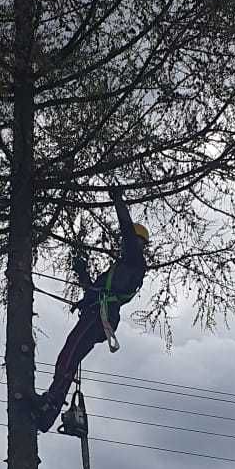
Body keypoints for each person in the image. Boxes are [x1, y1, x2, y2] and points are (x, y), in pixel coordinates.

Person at [27, 183, 150, 432]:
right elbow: (95, 289)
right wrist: (82, 272)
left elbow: (126, 229)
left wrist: (118, 200)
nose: (125, 243)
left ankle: (49, 403)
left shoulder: (135, 262)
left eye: (130, 240)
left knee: (68, 357)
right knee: (67, 358)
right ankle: (48, 414)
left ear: (138, 243)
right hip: (96, 316)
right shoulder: (121, 267)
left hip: (100, 318)